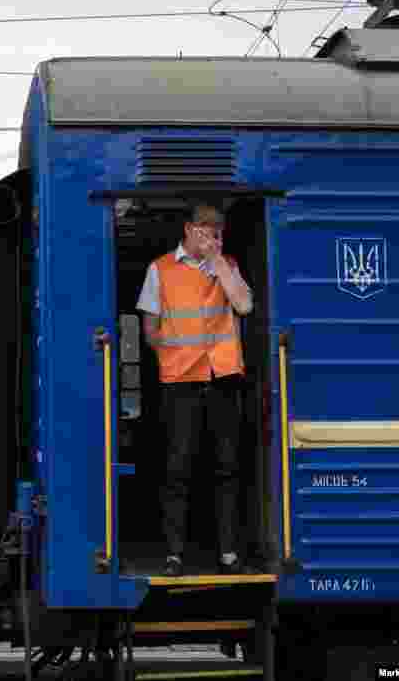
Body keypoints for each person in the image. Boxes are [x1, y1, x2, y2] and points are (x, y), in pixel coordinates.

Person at [136, 204, 253, 577]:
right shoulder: (160, 269)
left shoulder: (227, 265)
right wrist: (174, 355)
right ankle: (174, 554)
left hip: (222, 379)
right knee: (177, 468)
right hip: (180, 381)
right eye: (205, 230)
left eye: (217, 231)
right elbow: (150, 330)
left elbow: (245, 305)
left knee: (227, 467)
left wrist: (219, 263)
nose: (212, 237)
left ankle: (228, 553)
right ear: (188, 230)